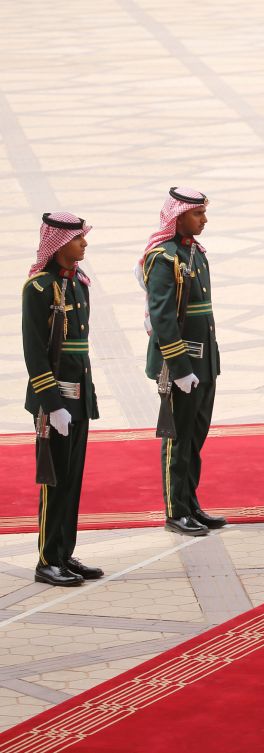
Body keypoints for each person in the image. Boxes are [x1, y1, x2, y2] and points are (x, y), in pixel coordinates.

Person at [23, 212, 102, 586]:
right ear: (58, 245)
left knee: (72, 480)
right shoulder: (39, 288)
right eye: (78, 238)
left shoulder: (77, 284)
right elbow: (35, 352)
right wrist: (52, 403)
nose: (84, 244)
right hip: (53, 400)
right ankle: (46, 559)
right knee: (54, 481)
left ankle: (64, 552)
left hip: (78, 397)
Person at [140, 188, 225, 536]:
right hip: (181, 366)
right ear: (178, 217)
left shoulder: (195, 254)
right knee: (178, 439)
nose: (204, 219)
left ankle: (190, 503)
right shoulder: (164, 258)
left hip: (204, 362)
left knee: (196, 437)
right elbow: (163, 318)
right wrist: (179, 367)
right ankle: (176, 511)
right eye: (197, 214)